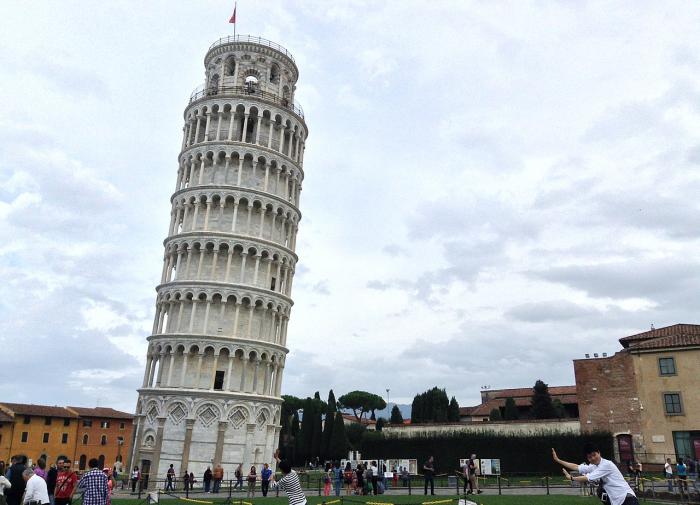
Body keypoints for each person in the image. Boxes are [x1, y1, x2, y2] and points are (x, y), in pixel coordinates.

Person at [552, 444, 638, 505]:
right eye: (590, 457)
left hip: (627, 499)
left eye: (594, 455)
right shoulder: (594, 466)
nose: (593, 458)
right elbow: (577, 467)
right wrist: (558, 460)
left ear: (599, 453)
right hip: (617, 500)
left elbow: (587, 478)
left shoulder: (606, 464)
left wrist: (571, 478)